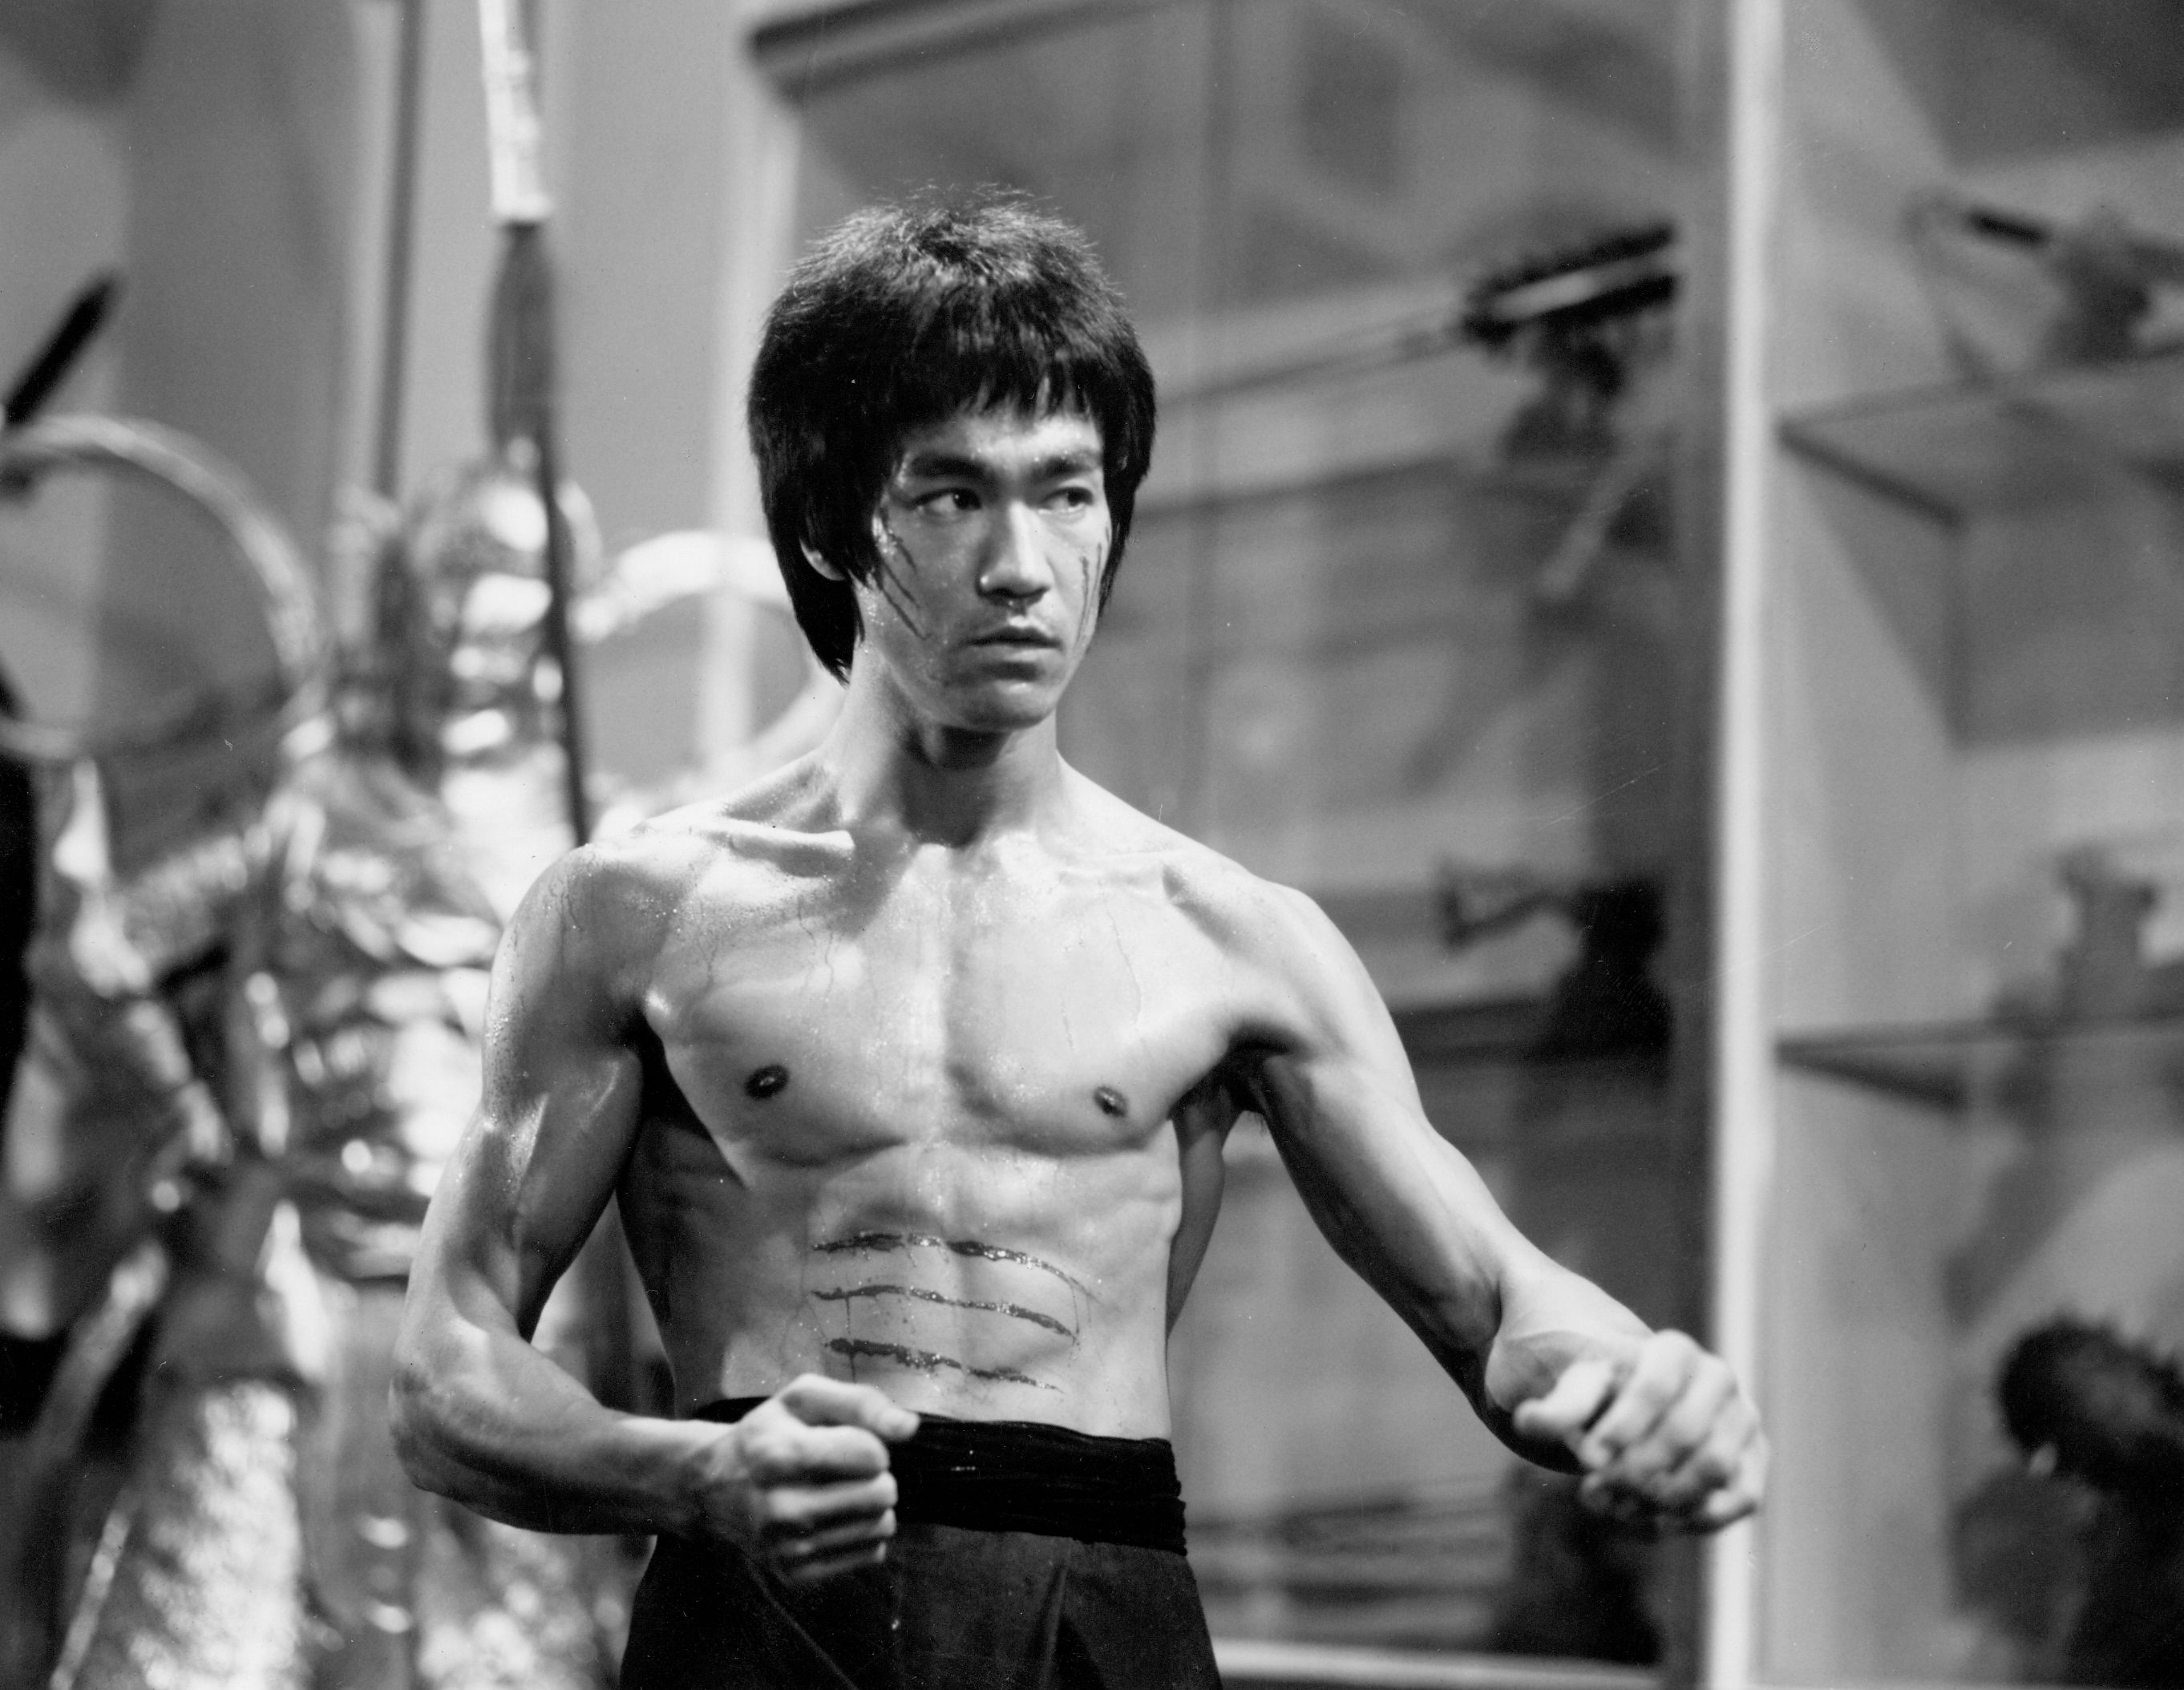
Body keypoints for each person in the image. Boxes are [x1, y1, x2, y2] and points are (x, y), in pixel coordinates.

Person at [392, 197, 1766, 1689]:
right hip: (762, 1592)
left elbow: (1495, 1300)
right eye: (950, 496)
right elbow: (446, 1368)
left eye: (1067, 492)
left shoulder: (1232, 941)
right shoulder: (636, 912)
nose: (1021, 564)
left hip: (1100, 1608)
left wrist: (1637, 1383)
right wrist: (688, 1477)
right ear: (826, 523)